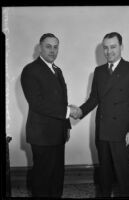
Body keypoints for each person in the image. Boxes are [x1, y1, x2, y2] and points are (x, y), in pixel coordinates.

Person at [70, 32, 129, 197]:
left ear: (121, 47)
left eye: (113, 47)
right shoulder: (99, 71)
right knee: (104, 176)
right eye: (105, 48)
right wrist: (80, 111)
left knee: (125, 177)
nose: (109, 51)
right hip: (103, 131)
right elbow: (94, 98)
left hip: (124, 133)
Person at [21, 33, 75, 197]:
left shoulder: (57, 70)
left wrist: (66, 126)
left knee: (57, 176)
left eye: (55, 47)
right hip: (42, 136)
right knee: (42, 178)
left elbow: (62, 99)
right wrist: (68, 112)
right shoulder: (30, 70)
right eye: (48, 46)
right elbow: (37, 103)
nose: (52, 50)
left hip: (58, 134)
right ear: (40, 47)